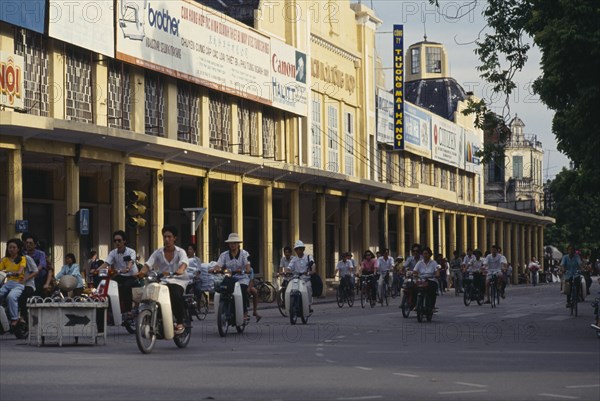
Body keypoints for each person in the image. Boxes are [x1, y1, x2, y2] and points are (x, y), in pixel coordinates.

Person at [138, 225, 189, 334]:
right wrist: (141, 272)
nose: (167, 239)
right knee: (152, 294)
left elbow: (184, 264)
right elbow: (148, 264)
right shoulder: (158, 252)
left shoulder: (181, 252)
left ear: (174, 238)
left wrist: (180, 270)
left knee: (175, 293)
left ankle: (180, 322)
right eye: (165, 237)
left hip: (178, 280)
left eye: (169, 237)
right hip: (163, 281)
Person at [98, 230, 138, 316]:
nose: (117, 242)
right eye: (115, 241)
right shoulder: (113, 253)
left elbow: (131, 261)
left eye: (119, 240)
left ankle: (128, 311)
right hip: (120, 275)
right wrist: (96, 270)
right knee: (108, 284)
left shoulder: (131, 252)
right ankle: (109, 309)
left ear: (124, 241)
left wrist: (127, 268)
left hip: (131, 276)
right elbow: (106, 263)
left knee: (126, 286)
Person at [215, 233, 252, 321]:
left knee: (242, 290)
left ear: (238, 244)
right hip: (229, 278)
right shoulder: (224, 255)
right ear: (228, 244)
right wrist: (215, 269)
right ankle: (222, 309)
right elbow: (218, 265)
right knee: (222, 289)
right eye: (231, 243)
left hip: (242, 278)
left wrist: (243, 271)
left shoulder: (244, 254)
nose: (233, 244)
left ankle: (244, 312)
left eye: (235, 243)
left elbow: (248, 269)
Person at [0, 239, 27, 327]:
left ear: (18, 249)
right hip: (7, 283)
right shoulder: (5, 260)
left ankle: (15, 318)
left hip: (18, 284)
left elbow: (21, 269)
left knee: (11, 297)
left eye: (14, 247)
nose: (11, 249)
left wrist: (18, 272)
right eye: (10, 247)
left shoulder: (22, 259)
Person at [287, 240, 315, 312]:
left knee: (308, 288)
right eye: (296, 249)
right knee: (290, 289)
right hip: (296, 279)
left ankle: (308, 305)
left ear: (303, 249)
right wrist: (287, 271)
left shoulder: (308, 257)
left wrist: (309, 272)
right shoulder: (294, 259)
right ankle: (289, 305)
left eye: (300, 248)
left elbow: (313, 267)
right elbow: (289, 267)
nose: (298, 250)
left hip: (306, 279)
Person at [18, 253, 38, 322]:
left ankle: (23, 317)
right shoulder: (8, 259)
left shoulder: (26, 258)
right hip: (15, 284)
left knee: (23, 297)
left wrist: (25, 279)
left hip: (28, 285)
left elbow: (36, 271)